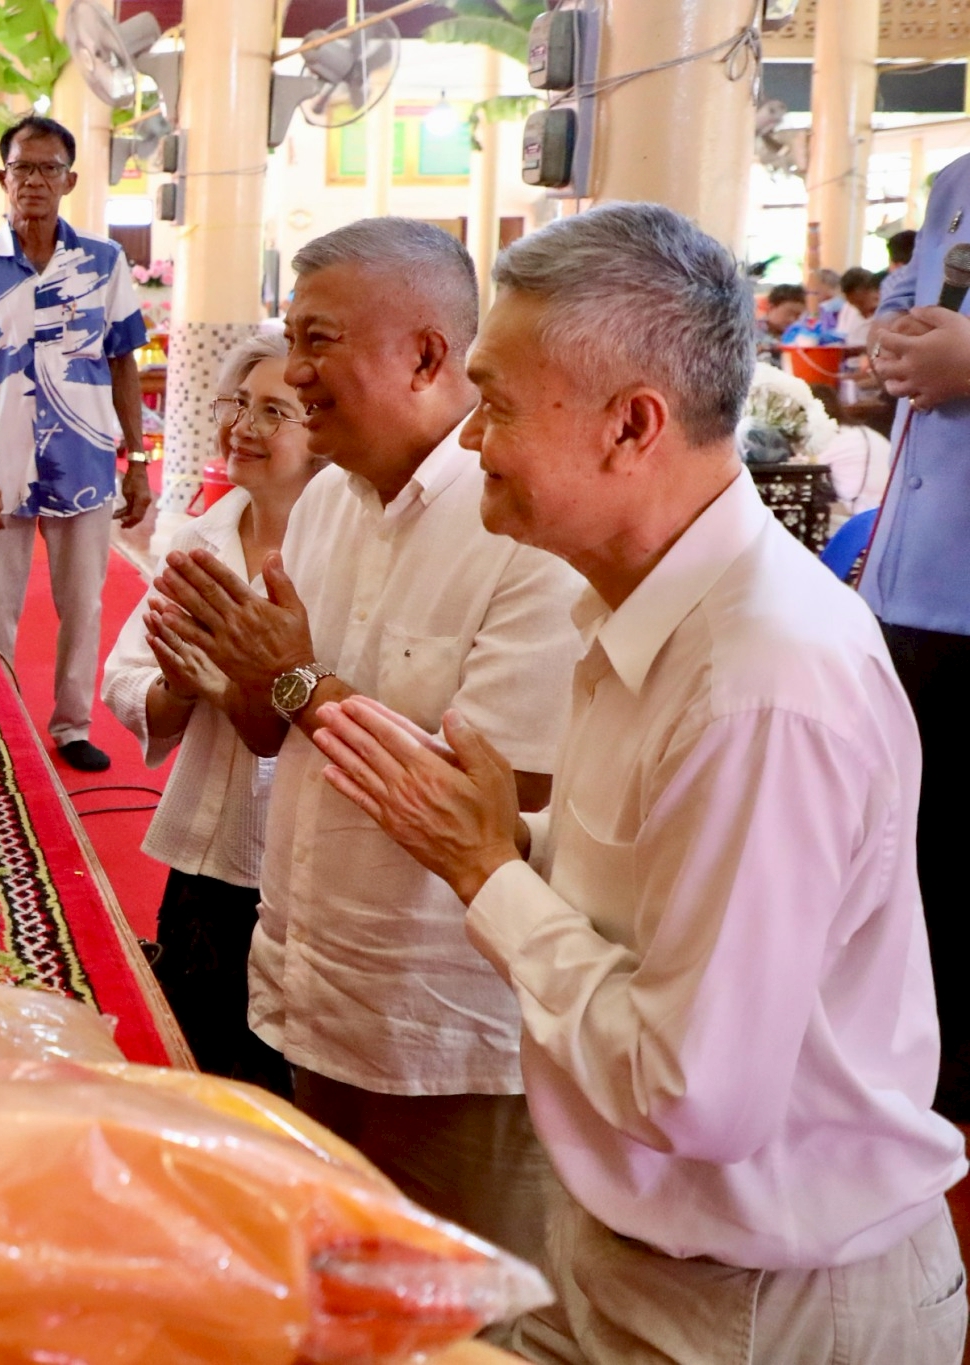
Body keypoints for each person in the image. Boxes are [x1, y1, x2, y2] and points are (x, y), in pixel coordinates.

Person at [311, 201, 967, 1364]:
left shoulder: (757, 683)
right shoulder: (642, 615)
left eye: (494, 405)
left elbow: (694, 1094)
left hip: (756, 1305)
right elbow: (645, 918)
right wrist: (510, 847)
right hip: (640, 1252)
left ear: (629, 425)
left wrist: (484, 874)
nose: (469, 440)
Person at [148, 218, 585, 1271]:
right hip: (308, 987)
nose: (292, 372)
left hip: (442, 1023)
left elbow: (501, 792)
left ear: (426, 356)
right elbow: (270, 732)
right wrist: (224, 666)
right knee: (332, 1288)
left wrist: (295, 679)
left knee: (453, 1305)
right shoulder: (326, 506)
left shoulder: (518, 525)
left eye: (317, 341)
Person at [102, 334, 320, 1086]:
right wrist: (183, 686)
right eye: (239, 405)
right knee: (191, 1059)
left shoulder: (340, 551)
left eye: (275, 412)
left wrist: (238, 688)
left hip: (292, 863)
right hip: (204, 852)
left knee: (269, 1078)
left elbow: (317, 714)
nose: (244, 428)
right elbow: (127, 677)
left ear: (322, 430)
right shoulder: (203, 537)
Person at [0, 115, 149, 774]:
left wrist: (137, 461)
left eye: (50, 168)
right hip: (2, 466)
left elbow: (123, 362)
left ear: (69, 181)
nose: (35, 181)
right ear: (3, 177)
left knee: (84, 604)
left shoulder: (104, 263)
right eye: (23, 167)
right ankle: (0, 726)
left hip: (85, 462)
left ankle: (73, 725)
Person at [863, 149, 970, 1123]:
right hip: (907, 589)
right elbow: (904, 305)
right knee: (908, 862)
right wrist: (888, 343)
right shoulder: (955, 180)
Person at [810, 382, 891, 527]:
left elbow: (803, 466)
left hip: (863, 515)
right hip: (887, 510)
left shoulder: (831, 438)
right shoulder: (864, 432)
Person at [836, 265, 881, 349]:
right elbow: (841, 337)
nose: (861, 312)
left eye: (861, 303)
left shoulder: (889, 312)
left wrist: (860, 350)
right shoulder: (847, 308)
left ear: (876, 292)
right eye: (855, 305)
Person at [757, 282, 805, 356]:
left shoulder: (801, 335)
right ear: (771, 307)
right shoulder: (751, 331)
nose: (793, 320)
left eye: (799, 316)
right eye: (789, 313)